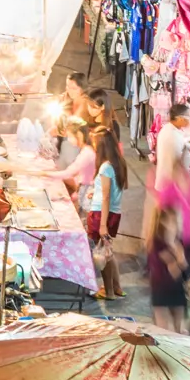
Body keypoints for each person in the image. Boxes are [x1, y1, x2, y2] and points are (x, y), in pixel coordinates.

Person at [144, 103, 190, 319]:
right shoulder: (174, 191)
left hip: (178, 244)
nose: (189, 120)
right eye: (187, 117)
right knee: (169, 301)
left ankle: (177, 329)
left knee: (171, 302)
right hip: (175, 244)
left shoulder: (167, 133)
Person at [85, 125, 128, 301]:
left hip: (101, 214)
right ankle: (115, 287)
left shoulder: (105, 167)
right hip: (113, 213)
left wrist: (102, 225)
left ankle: (108, 291)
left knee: (101, 253)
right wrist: (94, 192)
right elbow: (111, 192)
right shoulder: (119, 163)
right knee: (108, 252)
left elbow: (106, 197)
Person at [145, 205, 190, 333]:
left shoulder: (178, 241)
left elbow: (183, 268)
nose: (179, 226)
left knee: (181, 329)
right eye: (176, 222)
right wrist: (180, 260)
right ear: (164, 223)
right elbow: (173, 271)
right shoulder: (157, 243)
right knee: (163, 330)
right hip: (160, 290)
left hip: (177, 289)